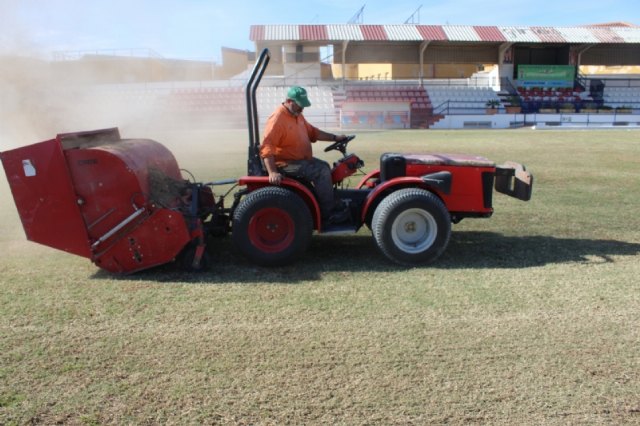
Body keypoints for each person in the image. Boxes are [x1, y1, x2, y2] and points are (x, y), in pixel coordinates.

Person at [260, 86, 350, 224]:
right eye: (300, 105)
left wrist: (335, 138)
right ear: (289, 101)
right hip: (285, 163)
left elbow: (313, 132)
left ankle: (326, 201)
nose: (302, 109)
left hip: (299, 160)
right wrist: (272, 172)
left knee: (324, 166)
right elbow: (267, 146)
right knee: (321, 171)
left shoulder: (297, 115)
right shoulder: (278, 119)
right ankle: (328, 213)